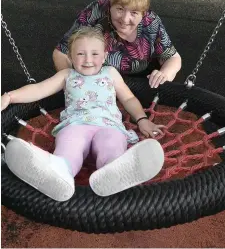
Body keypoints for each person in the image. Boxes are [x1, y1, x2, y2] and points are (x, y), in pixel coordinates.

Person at [1, 27, 165, 202]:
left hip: (108, 125)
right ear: (71, 57)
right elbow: (40, 89)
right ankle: (59, 173)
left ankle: (113, 170)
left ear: (104, 56)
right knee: (70, 147)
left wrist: (142, 120)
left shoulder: (111, 73)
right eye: (80, 54)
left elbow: (129, 98)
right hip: (75, 124)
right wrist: (10, 97)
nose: (88, 60)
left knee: (110, 145)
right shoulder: (67, 75)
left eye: (95, 54)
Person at [53, 0, 181, 89]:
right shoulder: (97, 12)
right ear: (110, 5)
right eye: (120, 9)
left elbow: (173, 58)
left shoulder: (151, 23)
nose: (125, 19)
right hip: (96, 80)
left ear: (143, 13)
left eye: (134, 13)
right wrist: (73, 84)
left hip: (142, 81)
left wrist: (164, 74)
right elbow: (61, 52)